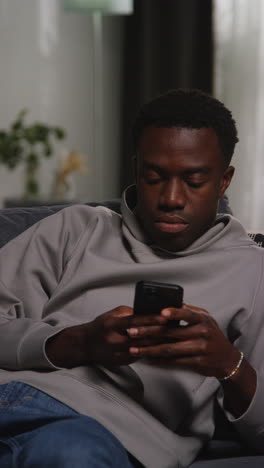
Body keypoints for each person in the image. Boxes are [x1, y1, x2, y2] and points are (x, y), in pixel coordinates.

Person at [0, 89, 264, 468]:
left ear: (224, 181)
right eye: (154, 177)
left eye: (194, 181)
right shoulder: (75, 229)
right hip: (12, 395)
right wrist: (76, 342)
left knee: (71, 453)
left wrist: (229, 364)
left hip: (97, 432)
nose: (171, 198)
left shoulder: (253, 272)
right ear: (137, 170)